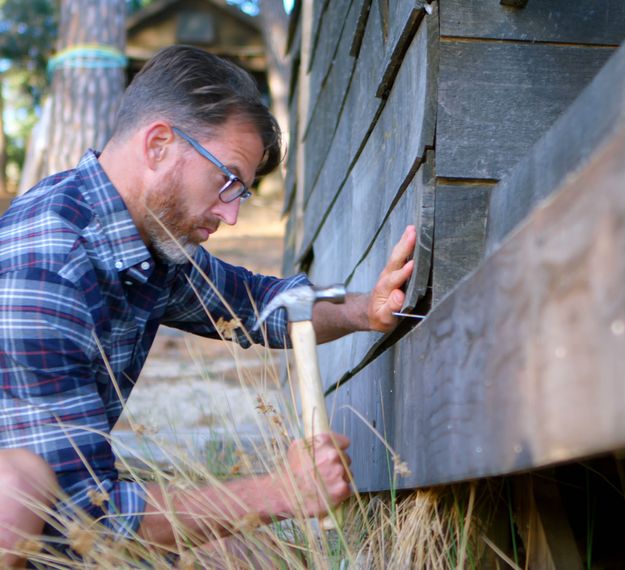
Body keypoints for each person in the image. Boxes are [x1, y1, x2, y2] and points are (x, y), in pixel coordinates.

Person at [0, 46, 416, 566]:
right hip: (38, 518)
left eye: (241, 192)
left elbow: (253, 303)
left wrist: (364, 311)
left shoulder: (142, 236)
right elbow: (85, 518)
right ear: (158, 144)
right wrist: (278, 493)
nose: (232, 214)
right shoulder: (46, 269)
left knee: (239, 549)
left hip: (59, 519)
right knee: (14, 486)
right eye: (228, 181)